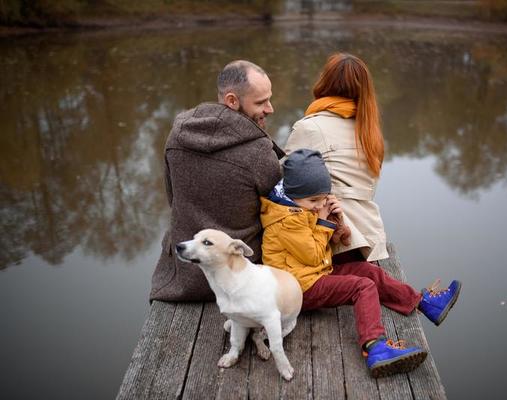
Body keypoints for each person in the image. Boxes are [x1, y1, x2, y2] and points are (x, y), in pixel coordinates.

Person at [260, 149, 462, 377]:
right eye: (313, 200)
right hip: (298, 289)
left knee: (368, 271)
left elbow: (323, 247)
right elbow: (314, 255)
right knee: (362, 286)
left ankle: (423, 302)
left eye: (323, 198)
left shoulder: (299, 206)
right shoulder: (286, 220)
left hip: (314, 273)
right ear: (292, 194)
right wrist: (324, 220)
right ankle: (375, 346)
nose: (318, 205)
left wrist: (338, 226)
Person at [150, 60, 285, 302]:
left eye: (269, 99)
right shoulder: (258, 152)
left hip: (183, 276)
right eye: (261, 102)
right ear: (232, 101)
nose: (270, 108)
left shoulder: (176, 137)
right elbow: (279, 214)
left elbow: (173, 198)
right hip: (238, 276)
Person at [285, 53, 388, 263]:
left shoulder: (310, 127)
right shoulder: (370, 132)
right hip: (368, 236)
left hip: (332, 240)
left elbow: (283, 181)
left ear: (324, 82)